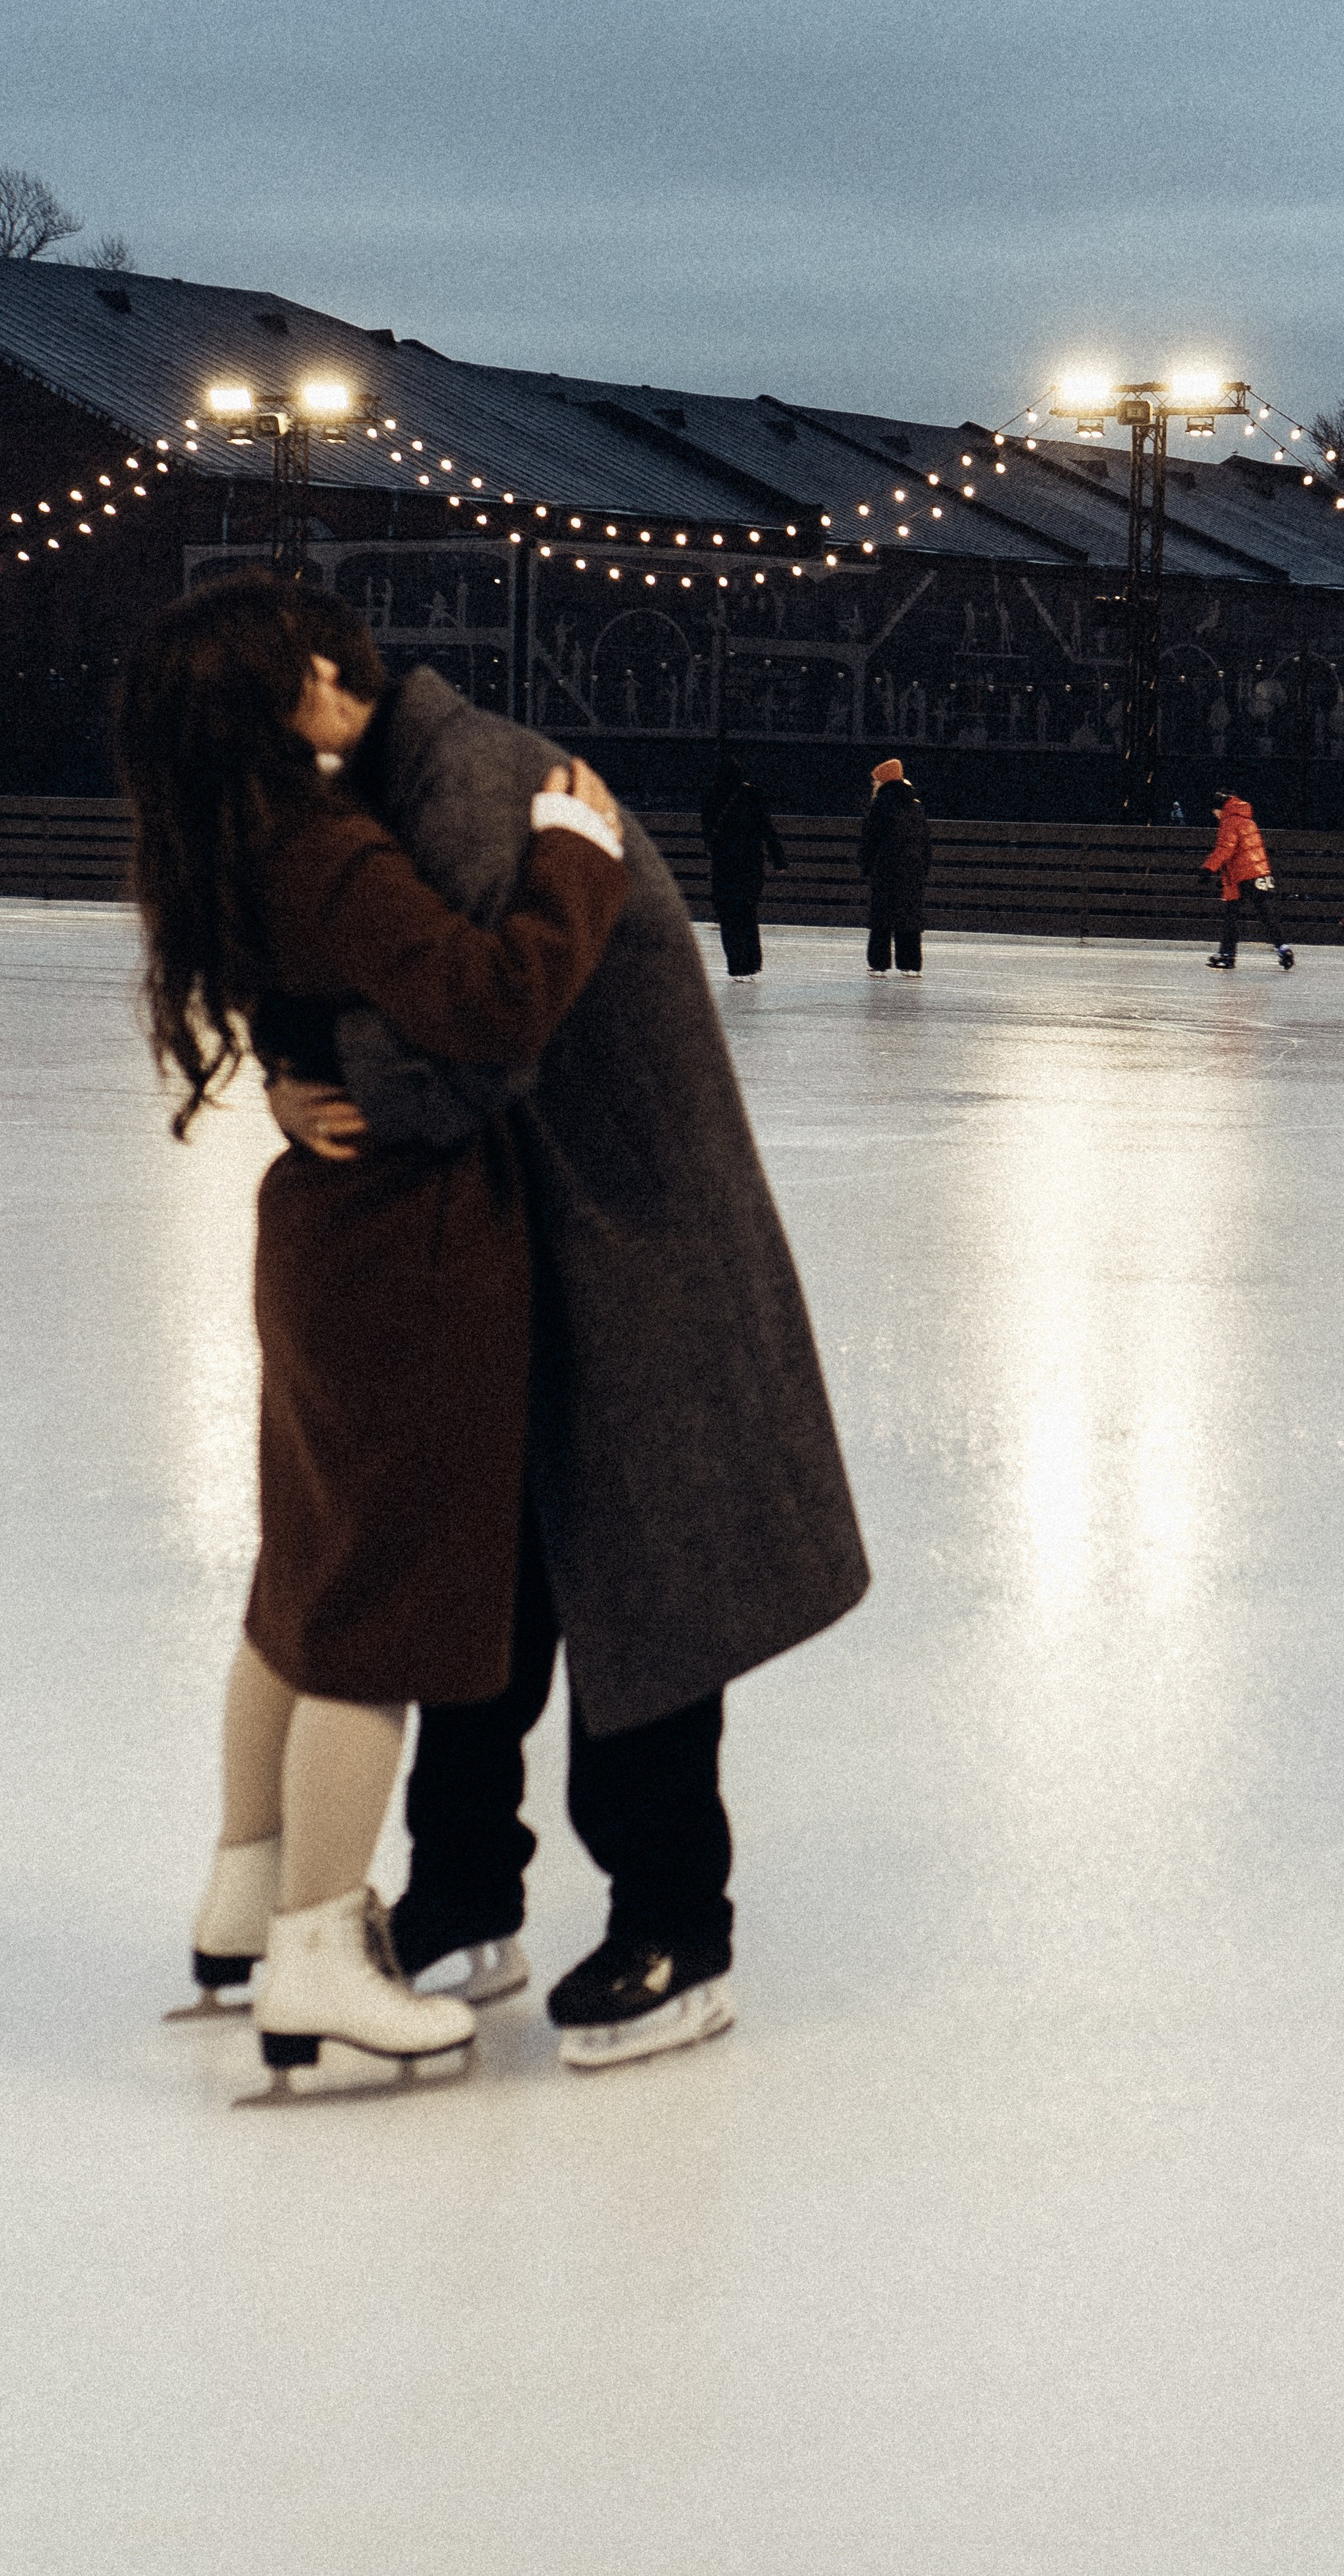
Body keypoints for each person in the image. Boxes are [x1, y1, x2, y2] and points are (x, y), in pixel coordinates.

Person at [261, 591, 871, 2070]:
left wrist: (322, 1083)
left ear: (329, 690)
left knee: (642, 1598)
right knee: (492, 1581)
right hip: (527, 1238)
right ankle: (467, 1892)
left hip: (632, 1240)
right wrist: (296, 1072)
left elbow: (476, 1030)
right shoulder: (406, 784)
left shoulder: (474, 791)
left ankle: (679, 1924)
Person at [121, 573, 630, 2089]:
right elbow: (488, 999)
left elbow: (305, 1016)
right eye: (328, 673)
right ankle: (321, 1952)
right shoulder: (331, 851)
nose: (357, 684)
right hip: (406, 1254)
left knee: (303, 1577)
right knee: (378, 1616)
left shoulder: (227, 850)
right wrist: (574, 857)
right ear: (294, 706)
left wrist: (288, 1079)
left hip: (319, 1240)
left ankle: (246, 1881)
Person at [701, 754, 787, 978]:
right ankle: (752, 963)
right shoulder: (753, 795)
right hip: (751, 866)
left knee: (728, 918)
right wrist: (778, 859)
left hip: (724, 867)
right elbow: (767, 828)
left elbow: (707, 831)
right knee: (748, 914)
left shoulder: (711, 795)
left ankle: (737, 965)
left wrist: (714, 850)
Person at [1202, 787, 1294, 971]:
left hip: (1243, 876)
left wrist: (1208, 868)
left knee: (1231, 915)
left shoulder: (1230, 821)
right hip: (1260, 873)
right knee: (1266, 914)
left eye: (1215, 812)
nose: (1216, 816)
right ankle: (1283, 949)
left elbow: (1226, 848)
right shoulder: (1248, 821)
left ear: (1221, 808)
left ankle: (1227, 955)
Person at [859, 757, 931, 974]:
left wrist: (866, 865)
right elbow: (925, 842)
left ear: (884, 781)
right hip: (912, 870)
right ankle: (910, 964)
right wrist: (923, 867)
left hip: (886, 870)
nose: (873, 784)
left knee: (882, 918)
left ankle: (879, 963)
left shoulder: (879, 805)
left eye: (876, 780)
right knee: (909, 916)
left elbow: (870, 839)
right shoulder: (915, 806)